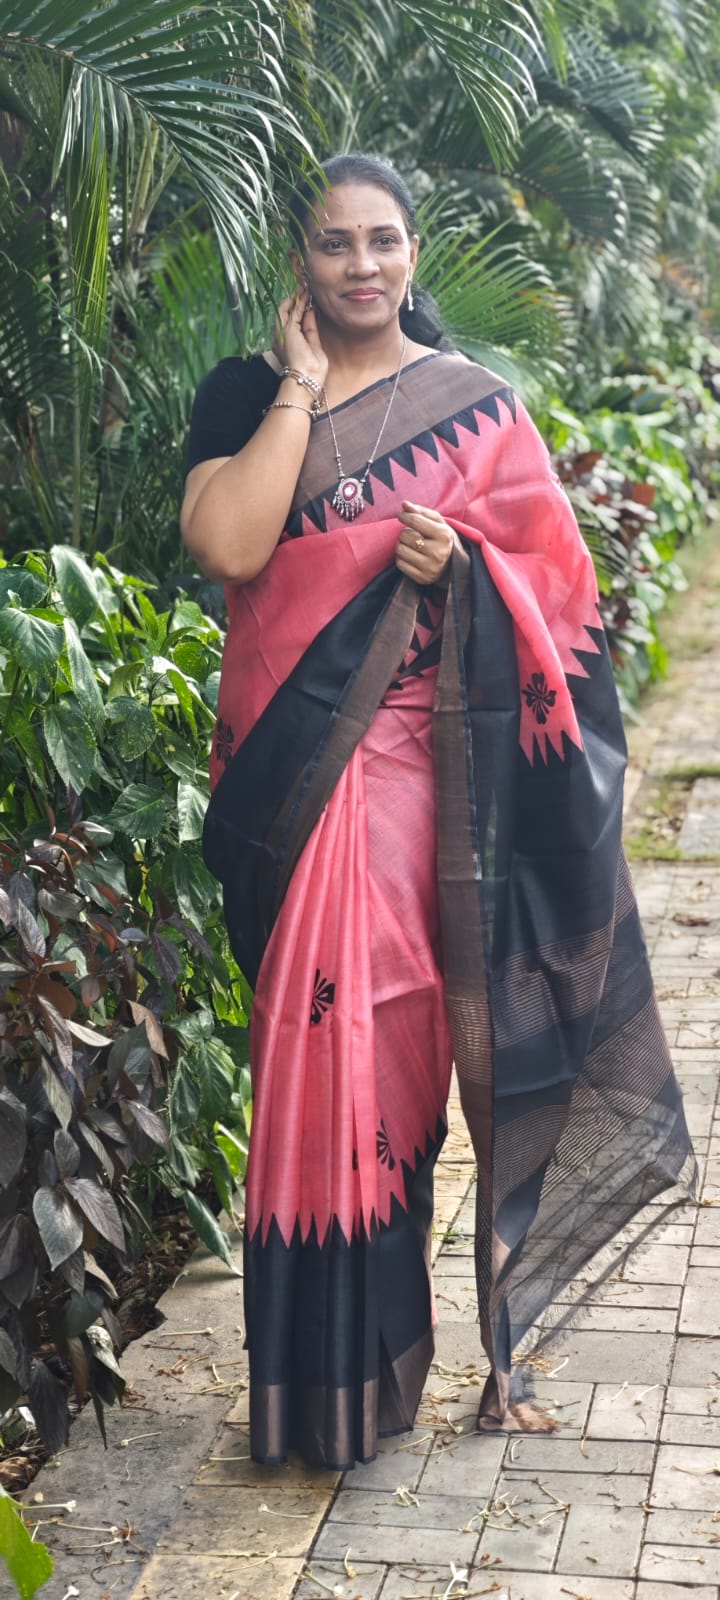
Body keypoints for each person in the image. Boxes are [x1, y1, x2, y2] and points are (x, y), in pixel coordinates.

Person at [181, 154, 695, 1472]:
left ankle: (377, 1369)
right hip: (287, 797)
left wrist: (467, 567)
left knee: (390, 1061)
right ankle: (309, 1382)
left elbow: (566, 607)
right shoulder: (243, 394)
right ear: (300, 258)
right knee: (308, 1054)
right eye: (335, 243)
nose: (361, 266)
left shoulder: (477, 411)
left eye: (384, 241)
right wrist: (297, 390)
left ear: (414, 254)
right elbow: (235, 546)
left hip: (422, 792)